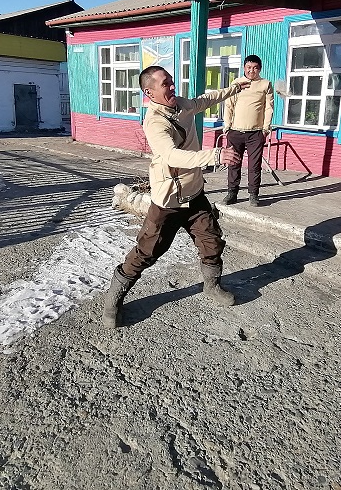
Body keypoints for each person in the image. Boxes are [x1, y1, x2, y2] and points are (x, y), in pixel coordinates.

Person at [102, 66, 250, 329]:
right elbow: (173, 156)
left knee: (211, 240)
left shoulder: (181, 105)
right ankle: (113, 298)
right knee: (147, 251)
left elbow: (204, 100)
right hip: (168, 200)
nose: (172, 86)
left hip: (194, 194)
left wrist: (234, 89)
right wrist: (215, 155)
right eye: (165, 84)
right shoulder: (154, 122)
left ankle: (212, 286)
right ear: (149, 92)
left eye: (171, 81)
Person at [222, 55, 274, 207]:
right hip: (235, 132)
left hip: (256, 133)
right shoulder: (237, 83)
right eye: (249, 67)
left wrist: (265, 129)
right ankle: (232, 193)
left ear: (260, 69)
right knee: (233, 163)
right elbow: (229, 105)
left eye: (255, 68)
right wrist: (227, 127)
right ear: (244, 68)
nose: (252, 71)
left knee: (254, 165)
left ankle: (253, 194)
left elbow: (269, 108)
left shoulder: (265, 84)